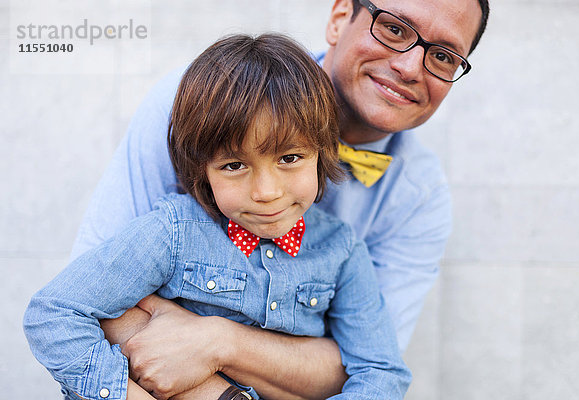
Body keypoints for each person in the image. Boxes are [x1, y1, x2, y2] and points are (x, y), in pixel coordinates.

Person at [70, 0, 490, 398]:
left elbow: (366, 365)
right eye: (394, 29)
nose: (409, 66)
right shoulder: (197, 104)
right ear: (340, 17)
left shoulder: (419, 197)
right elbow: (96, 302)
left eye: (444, 56)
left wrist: (219, 341)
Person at [23, 34, 410, 400]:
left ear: (323, 153)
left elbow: (381, 372)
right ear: (201, 170)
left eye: (289, 159)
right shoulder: (172, 231)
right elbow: (55, 313)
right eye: (234, 165)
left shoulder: (341, 250)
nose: (266, 192)